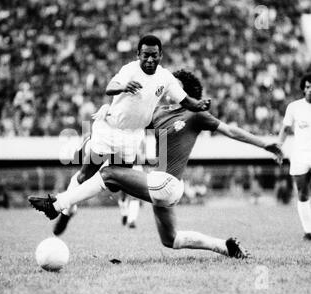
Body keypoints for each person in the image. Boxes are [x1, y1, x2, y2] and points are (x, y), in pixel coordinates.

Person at [29, 70, 283, 258]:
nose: (167, 90)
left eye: (175, 87)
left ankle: (59, 204)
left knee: (108, 174)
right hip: (160, 186)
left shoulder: (195, 114)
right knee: (171, 240)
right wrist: (105, 114)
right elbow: (127, 121)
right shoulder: (159, 114)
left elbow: (232, 131)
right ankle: (225, 247)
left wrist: (264, 144)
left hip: (168, 184)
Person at [51, 34, 211, 232]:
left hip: (133, 136)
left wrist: (200, 104)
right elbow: (110, 87)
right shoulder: (129, 70)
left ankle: (123, 210)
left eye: (154, 55)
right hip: (110, 130)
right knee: (85, 175)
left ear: (161, 55)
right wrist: (124, 86)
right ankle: (67, 212)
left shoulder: (165, 78)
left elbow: (186, 101)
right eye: (145, 55)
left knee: (118, 183)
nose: (150, 59)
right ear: (138, 55)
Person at [277, 73, 311, 240]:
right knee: (303, 193)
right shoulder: (294, 107)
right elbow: (285, 129)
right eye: (307, 87)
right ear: (304, 89)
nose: (310, 90)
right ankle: (308, 231)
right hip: (300, 155)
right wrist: (278, 147)